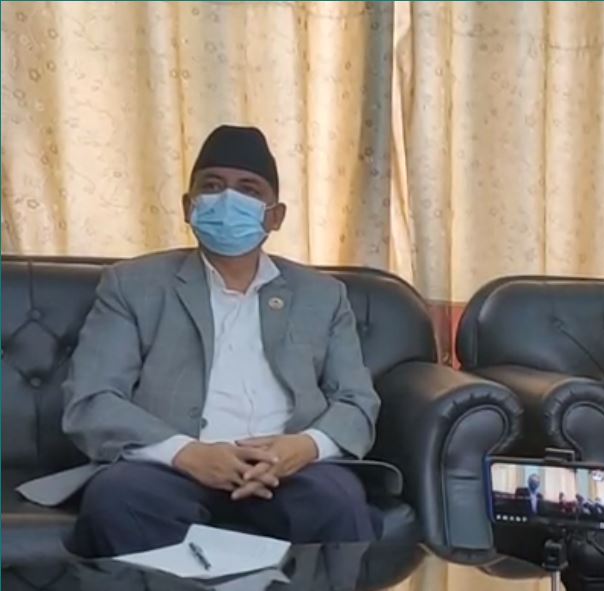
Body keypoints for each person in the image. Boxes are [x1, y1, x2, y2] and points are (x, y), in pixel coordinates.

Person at [48, 125, 381, 558]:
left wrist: (303, 447)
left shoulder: (323, 295)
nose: (227, 200)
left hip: (290, 469)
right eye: (212, 186)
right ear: (188, 207)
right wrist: (187, 454)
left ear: (275, 216)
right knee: (117, 501)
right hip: (167, 468)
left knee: (339, 503)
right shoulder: (132, 285)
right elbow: (92, 399)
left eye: (248, 190)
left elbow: (356, 401)